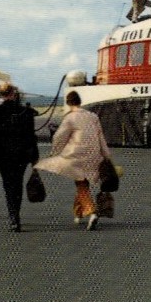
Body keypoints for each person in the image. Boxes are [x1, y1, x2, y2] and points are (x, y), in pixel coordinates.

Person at [36, 91, 112, 231]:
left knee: (80, 183)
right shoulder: (93, 116)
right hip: (93, 154)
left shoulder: (70, 118)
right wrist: (106, 155)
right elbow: (100, 135)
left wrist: (55, 152)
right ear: (79, 101)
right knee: (84, 182)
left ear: (69, 103)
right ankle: (78, 213)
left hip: (76, 156)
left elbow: (59, 137)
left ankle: (91, 211)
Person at [0, 83, 39, 232]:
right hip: (21, 156)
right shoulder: (26, 112)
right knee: (17, 184)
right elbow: (31, 137)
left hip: (2, 156)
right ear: (13, 93)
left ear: (1, 94)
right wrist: (34, 157)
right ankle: (15, 215)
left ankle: (13, 217)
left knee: (8, 184)